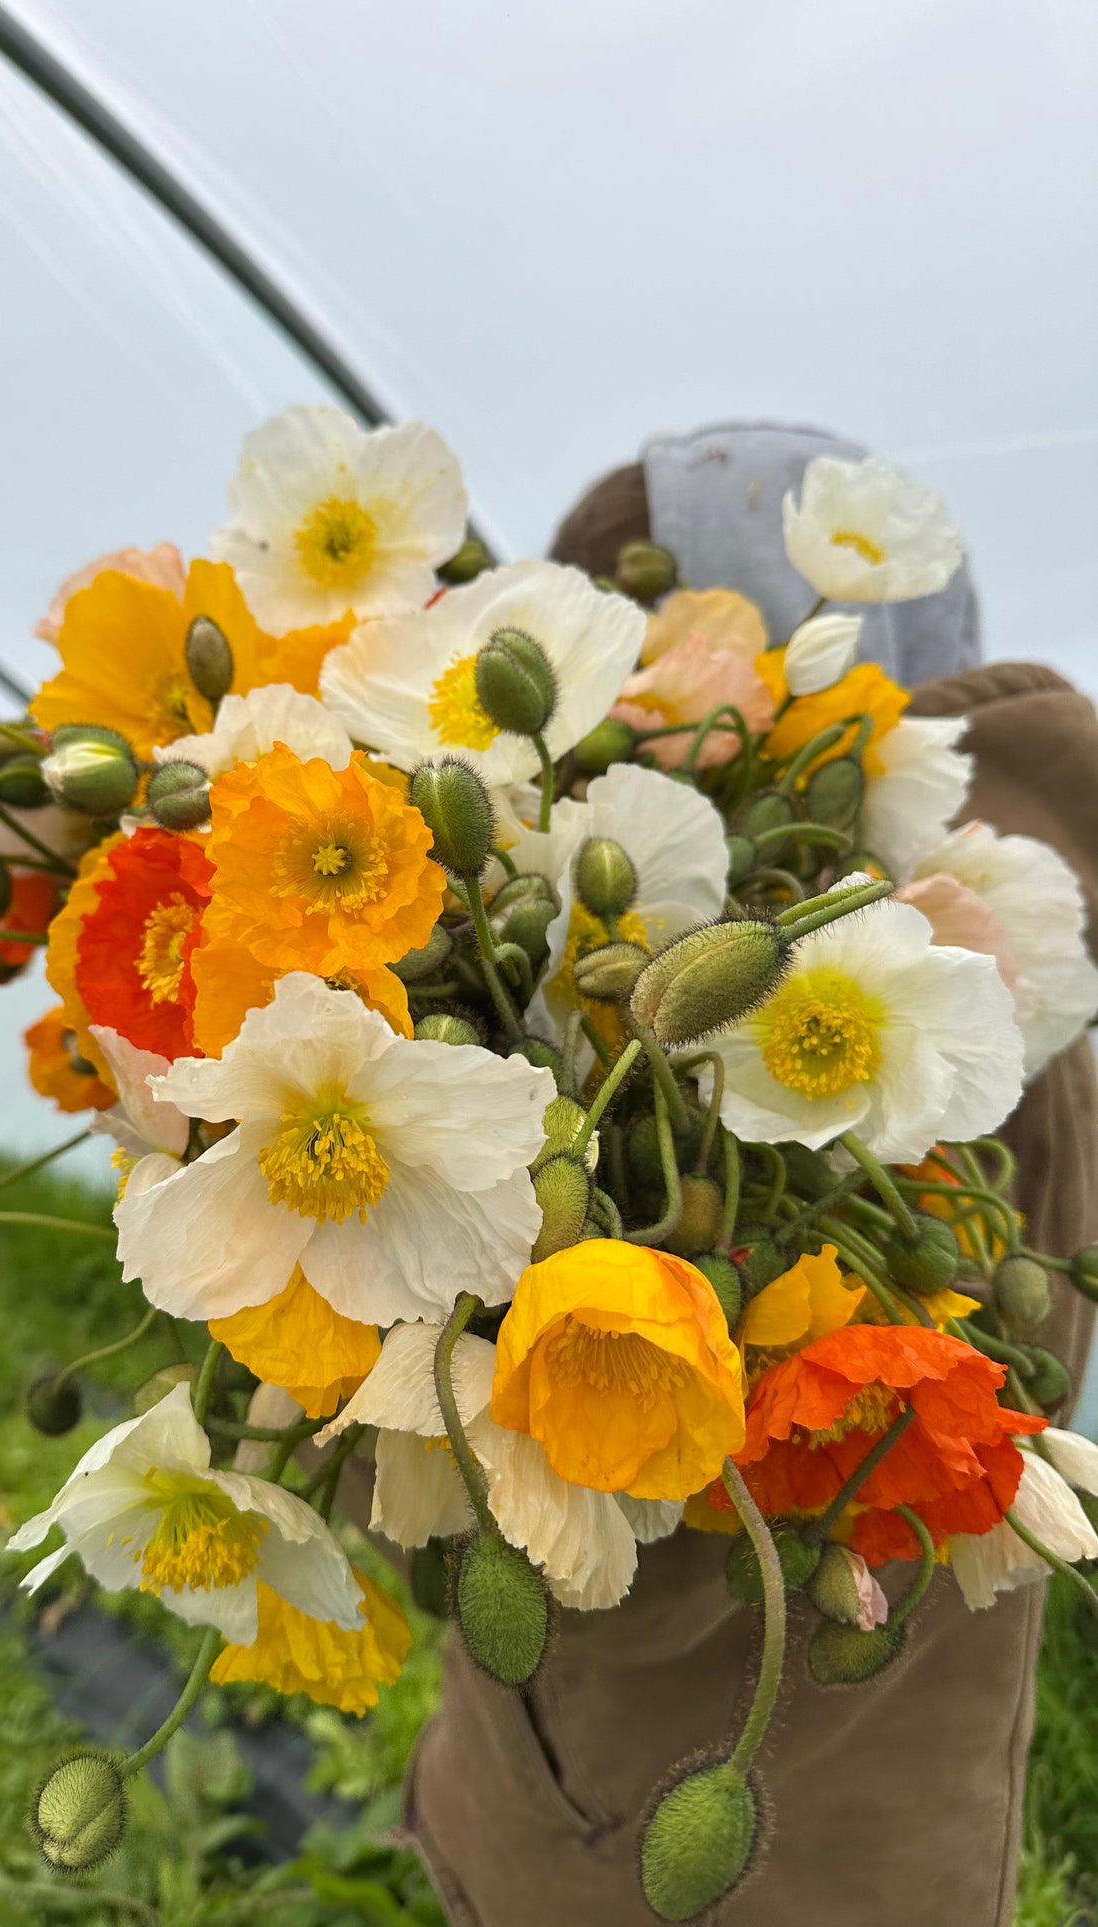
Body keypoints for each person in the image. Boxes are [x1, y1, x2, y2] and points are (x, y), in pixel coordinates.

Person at [401, 424, 1098, 1924]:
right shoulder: (1015, 938)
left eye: (624, 669)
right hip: (891, 1807)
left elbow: (630, 1564)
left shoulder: (856, 997)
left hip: (682, 1844)